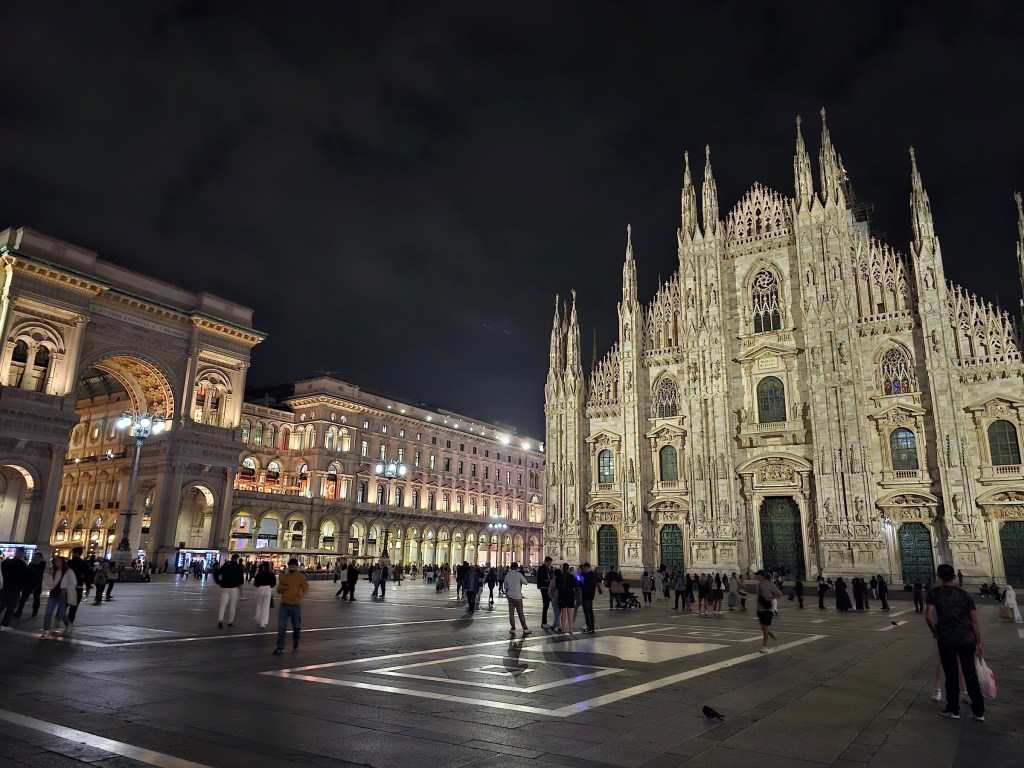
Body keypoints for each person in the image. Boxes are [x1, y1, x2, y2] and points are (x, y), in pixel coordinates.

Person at [925, 563, 985, 720]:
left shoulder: (935, 593)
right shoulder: (965, 595)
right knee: (970, 673)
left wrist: (935, 632)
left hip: (946, 639)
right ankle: (979, 712)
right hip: (966, 639)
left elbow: (928, 616)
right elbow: (975, 621)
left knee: (950, 675)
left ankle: (953, 709)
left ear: (939, 576)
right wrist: (978, 642)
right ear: (954, 577)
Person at [274, 558, 308, 654]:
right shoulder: (284, 577)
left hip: (295, 605)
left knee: (297, 626)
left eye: (293, 565)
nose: (292, 567)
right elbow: (279, 590)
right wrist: (283, 588)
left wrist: (301, 596)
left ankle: (296, 639)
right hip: (284, 604)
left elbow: (306, 587)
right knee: (281, 627)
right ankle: (280, 647)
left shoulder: (301, 577)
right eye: (290, 565)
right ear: (288, 566)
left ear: (296, 566)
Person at [40, 555, 78, 639]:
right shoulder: (55, 571)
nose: (57, 563)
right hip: (54, 593)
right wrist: (49, 576)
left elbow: (73, 583)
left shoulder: (69, 571)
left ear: (63, 562)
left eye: (59, 561)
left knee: (61, 613)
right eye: (56, 561)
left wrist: (66, 589)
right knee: (48, 612)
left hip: (63, 594)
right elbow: (50, 583)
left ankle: (68, 624)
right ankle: (46, 631)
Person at [754, 570, 783, 653]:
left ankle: (765, 646)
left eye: (757, 575)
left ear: (761, 576)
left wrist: (770, 598)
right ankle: (770, 634)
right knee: (763, 627)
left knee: (765, 627)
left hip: (767, 609)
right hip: (760, 609)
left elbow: (780, 594)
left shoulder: (770, 585)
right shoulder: (758, 585)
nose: (756, 576)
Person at [0, 547, 28, 630]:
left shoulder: (6, 562)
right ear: (22, 553)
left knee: (2, 605)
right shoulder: (22, 565)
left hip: (5, 587)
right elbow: (24, 579)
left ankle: (4, 624)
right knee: (10, 608)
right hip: (15, 589)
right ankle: (4, 624)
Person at [215, 553, 245, 629]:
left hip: (224, 586)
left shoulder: (225, 565)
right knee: (232, 605)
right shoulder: (238, 567)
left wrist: (219, 582)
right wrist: (239, 585)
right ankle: (230, 622)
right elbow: (241, 579)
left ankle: (220, 620)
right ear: (237, 559)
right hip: (234, 587)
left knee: (223, 604)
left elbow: (217, 573)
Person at [16, 551, 46, 618]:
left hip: (35, 584)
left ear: (41, 558)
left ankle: (34, 612)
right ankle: (19, 612)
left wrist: (35, 587)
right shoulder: (31, 564)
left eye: (37, 557)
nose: (36, 558)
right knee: (23, 599)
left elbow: (38, 576)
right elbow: (27, 573)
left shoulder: (41, 564)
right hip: (28, 584)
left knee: (35, 599)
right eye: (35, 556)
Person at [66, 547, 91, 625]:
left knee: (63, 605)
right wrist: (88, 587)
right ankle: (70, 623)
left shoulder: (69, 563)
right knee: (73, 608)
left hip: (68, 587)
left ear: (74, 553)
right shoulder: (83, 563)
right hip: (78, 587)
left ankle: (59, 618)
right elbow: (87, 576)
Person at [580, 562, 603, 632]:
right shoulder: (593, 575)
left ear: (586, 568)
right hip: (591, 595)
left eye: (584, 568)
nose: (583, 570)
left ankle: (588, 626)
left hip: (586, 595)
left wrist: (580, 582)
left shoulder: (588, 576)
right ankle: (592, 626)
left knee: (586, 612)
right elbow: (598, 581)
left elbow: (585, 586)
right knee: (590, 611)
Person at [253, 562, 276, 627]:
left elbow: (256, 584)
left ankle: (258, 618)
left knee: (259, 604)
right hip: (268, 588)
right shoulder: (271, 574)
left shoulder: (259, 574)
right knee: (266, 606)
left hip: (260, 588)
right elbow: (274, 583)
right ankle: (263, 622)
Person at [557, 563, 575, 635]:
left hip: (562, 596)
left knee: (563, 613)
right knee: (570, 613)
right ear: (568, 569)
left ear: (562, 568)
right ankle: (570, 629)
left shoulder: (559, 577)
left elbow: (557, 587)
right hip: (570, 596)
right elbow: (575, 585)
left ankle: (563, 628)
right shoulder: (571, 577)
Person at [537, 556, 553, 629]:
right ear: (546, 561)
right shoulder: (541, 569)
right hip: (544, 588)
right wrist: (548, 581)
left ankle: (544, 622)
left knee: (546, 605)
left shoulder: (547, 569)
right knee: (545, 605)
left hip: (548, 588)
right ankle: (544, 622)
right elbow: (541, 578)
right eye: (549, 562)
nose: (550, 564)